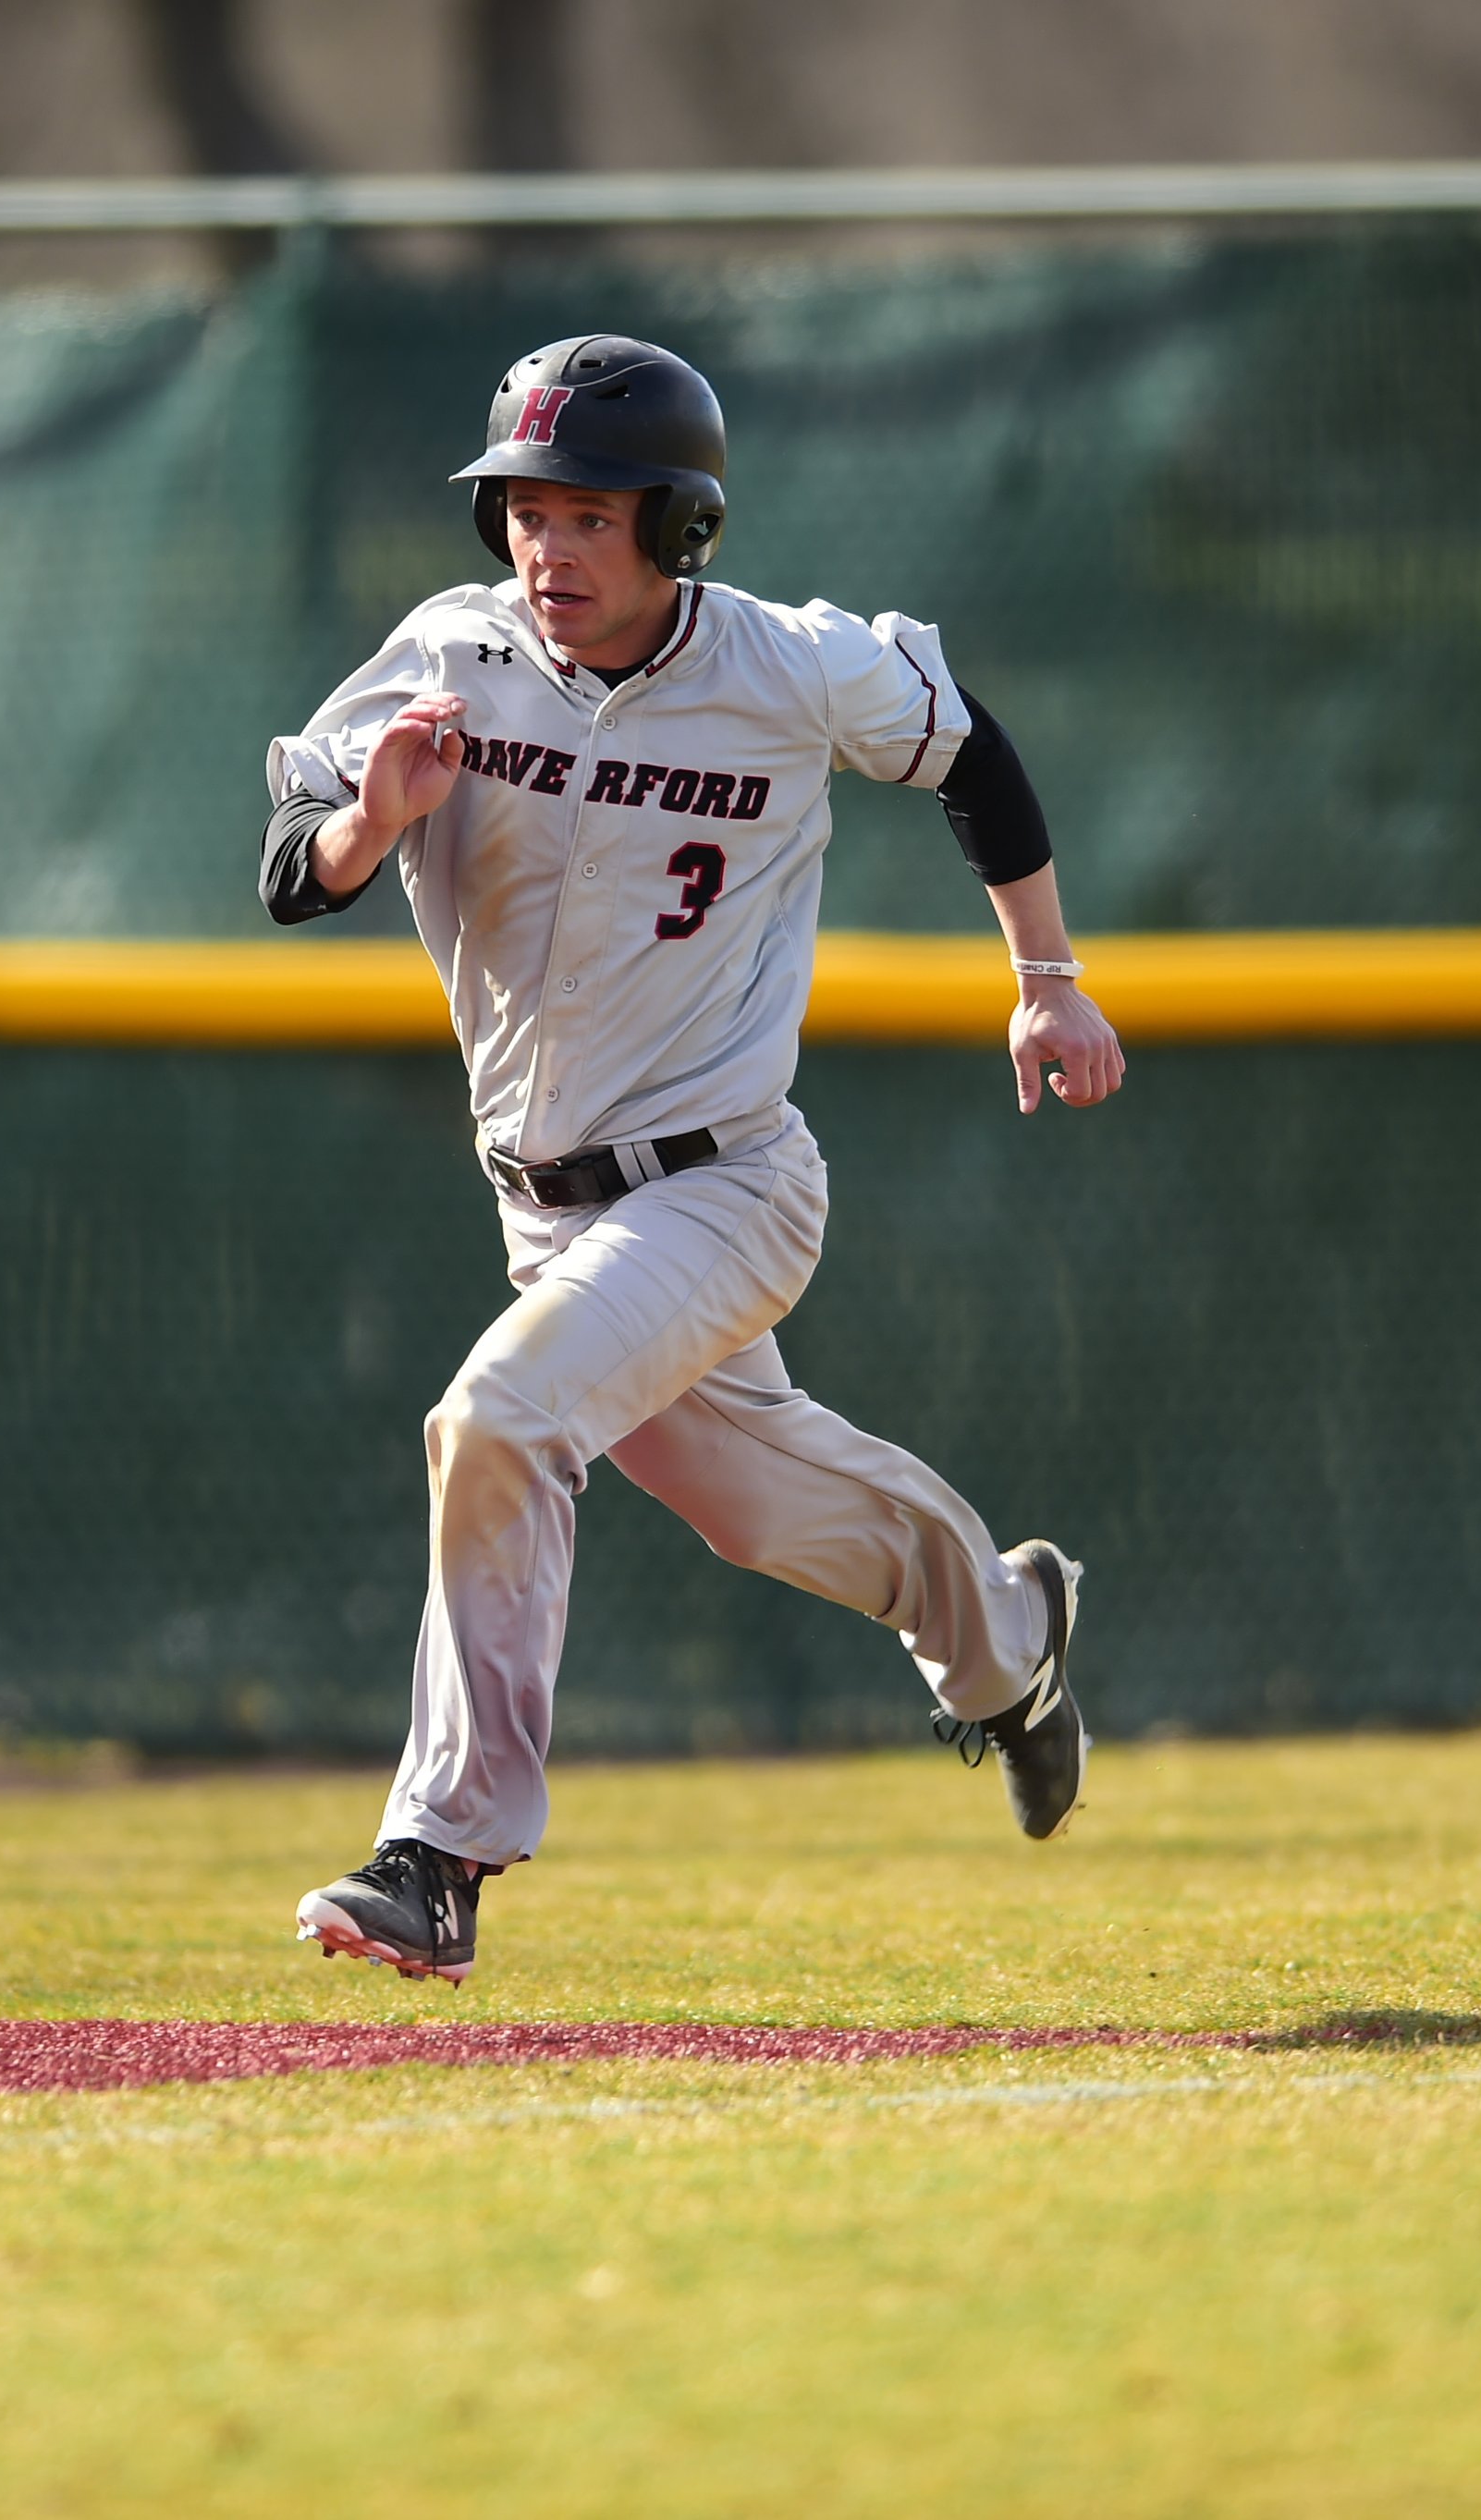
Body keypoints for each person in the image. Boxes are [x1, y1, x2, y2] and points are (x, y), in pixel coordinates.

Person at [262, 336, 1127, 1986]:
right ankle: (1011, 1636)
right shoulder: (451, 657)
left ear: (681, 525)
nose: (549, 548)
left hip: (728, 1184)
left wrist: (1049, 978)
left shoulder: (786, 666)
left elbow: (971, 750)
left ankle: (439, 1852)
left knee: (496, 1417)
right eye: (525, 511)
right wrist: (372, 823)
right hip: (548, 1215)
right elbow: (291, 866)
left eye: (591, 515)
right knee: (762, 1504)